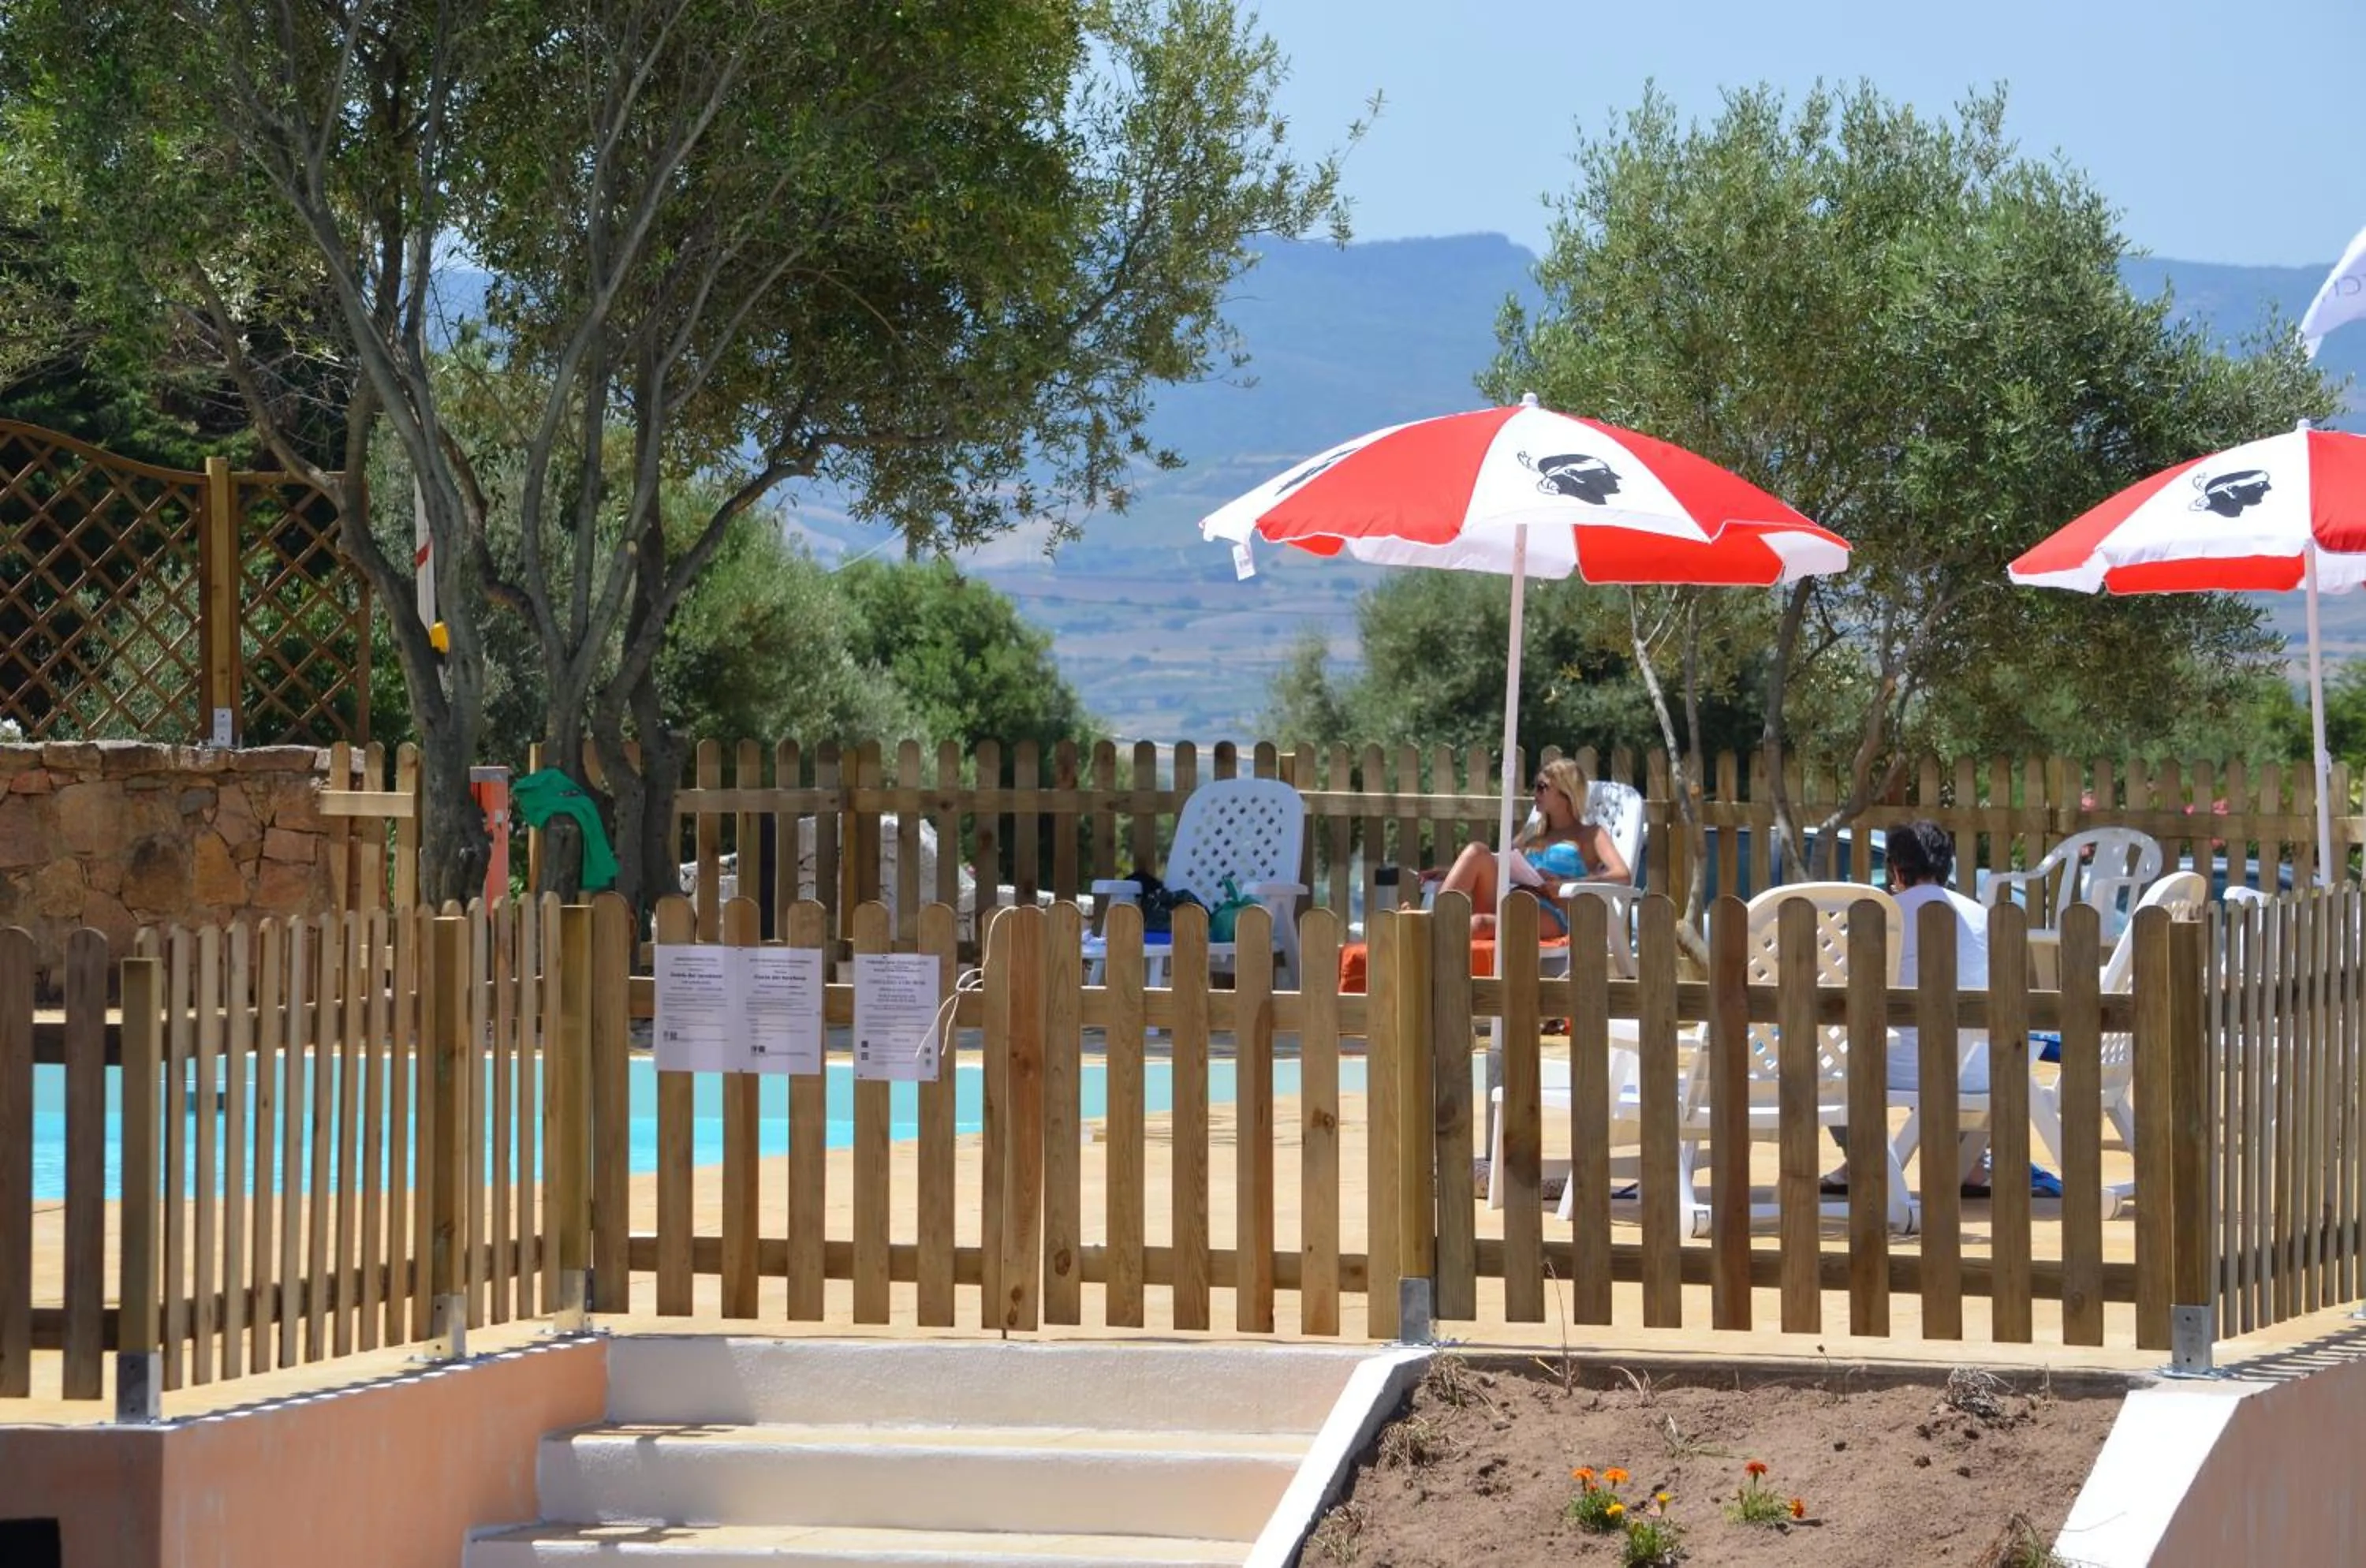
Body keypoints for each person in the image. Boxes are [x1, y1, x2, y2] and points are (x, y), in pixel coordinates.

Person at [1821, 819, 1995, 1197]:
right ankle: (1972, 1167)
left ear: (1897, 870)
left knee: (1829, 1062)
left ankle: (1863, 1161)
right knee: (1949, 1039)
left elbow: (1843, 986)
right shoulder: (1983, 916)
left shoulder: (1884, 914)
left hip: (1910, 1066)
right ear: (1945, 866)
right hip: (1983, 1067)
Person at [1422, 755, 1632, 935]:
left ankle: (1424, 931)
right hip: (1512, 901)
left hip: (1553, 912)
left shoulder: (1590, 834)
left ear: (1565, 794)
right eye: (1535, 787)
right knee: (1477, 851)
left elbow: (1623, 875)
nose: (1535, 793)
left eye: (1542, 787)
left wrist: (1566, 884)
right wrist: (1448, 873)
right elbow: (1499, 863)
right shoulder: (1531, 834)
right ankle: (1429, 925)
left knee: (1479, 924)